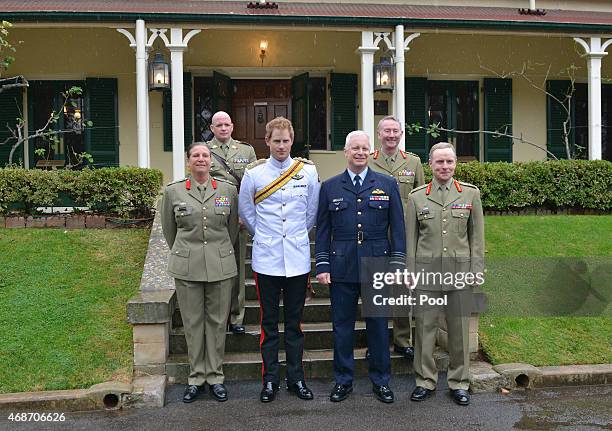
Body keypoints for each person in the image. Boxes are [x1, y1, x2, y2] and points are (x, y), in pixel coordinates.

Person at [315, 130, 406, 404]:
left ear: (370, 151)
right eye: (354, 148)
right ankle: (343, 380)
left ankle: (381, 381)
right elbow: (323, 229)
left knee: (378, 326)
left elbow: (398, 228)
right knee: (341, 327)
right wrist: (322, 263)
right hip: (341, 265)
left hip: (377, 263)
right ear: (346, 152)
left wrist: (398, 262)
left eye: (364, 148)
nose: (359, 152)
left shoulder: (387, 184)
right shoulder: (330, 187)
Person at [239, 117, 320, 403]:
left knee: (295, 325)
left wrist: (295, 236)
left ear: (292, 140)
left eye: (286, 140)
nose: (282, 146)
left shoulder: (308, 172)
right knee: (269, 324)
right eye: (276, 141)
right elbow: (247, 213)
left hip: (297, 259)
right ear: (267, 141)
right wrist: (264, 235)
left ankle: (296, 378)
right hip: (267, 258)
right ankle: (270, 380)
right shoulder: (255, 174)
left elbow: (311, 213)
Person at [406, 142, 484, 406]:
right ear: (430, 165)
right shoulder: (417, 197)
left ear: (455, 164)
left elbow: (477, 237)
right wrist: (410, 272)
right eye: (439, 162)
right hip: (427, 275)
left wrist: (476, 269)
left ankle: (459, 382)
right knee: (425, 329)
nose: (445, 167)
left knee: (459, 330)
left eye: (449, 162)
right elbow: (410, 239)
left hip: (460, 273)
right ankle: (424, 381)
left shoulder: (470, 194)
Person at [161, 142, 239, 403]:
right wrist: (186, 253)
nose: (201, 159)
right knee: (193, 324)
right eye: (196, 155)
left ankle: (215, 376)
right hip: (187, 265)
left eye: (205, 155)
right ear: (188, 161)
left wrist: (216, 251)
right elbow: (169, 230)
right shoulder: (173, 192)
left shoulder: (227, 190)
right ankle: (196, 377)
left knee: (217, 323)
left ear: (211, 161)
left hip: (220, 264)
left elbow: (231, 229)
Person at [369, 115, 425, 361]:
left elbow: (422, 197)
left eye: (395, 131)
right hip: (376, 232)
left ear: (401, 134)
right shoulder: (368, 160)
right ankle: (376, 340)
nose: (391, 135)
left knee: (402, 288)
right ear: (378, 134)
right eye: (386, 131)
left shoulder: (413, 162)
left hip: (404, 233)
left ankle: (403, 340)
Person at [206, 111, 257, 335]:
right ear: (212, 128)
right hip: (214, 214)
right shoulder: (204, 151)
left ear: (233, 126)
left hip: (239, 213)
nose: (223, 128)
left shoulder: (246, 150)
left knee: (237, 267)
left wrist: (247, 213)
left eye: (227, 124)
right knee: (215, 267)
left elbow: (254, 184)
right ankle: (218, 315)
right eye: (219, 125)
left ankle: (236, 317)